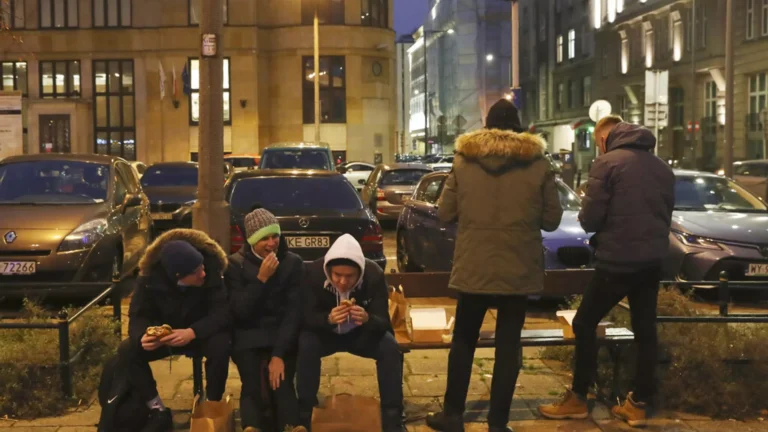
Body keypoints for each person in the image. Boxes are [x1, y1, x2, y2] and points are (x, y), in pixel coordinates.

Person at [425, 99, 564, 432]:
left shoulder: (463, 161)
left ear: (486, 126)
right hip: (518, 269)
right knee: (508, 345)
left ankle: (453, 415)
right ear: (519, 127)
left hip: (474, 266)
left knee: (463, 341)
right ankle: (498, 423)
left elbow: (445, 213)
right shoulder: (539, 164)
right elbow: (552, 219)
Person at [538, 115, 675, 427]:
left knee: (585, 323)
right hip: (651, 261)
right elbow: (665, 214)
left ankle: (578, 398)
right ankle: (638, 404)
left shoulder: (608, 164)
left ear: (604, 139)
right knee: (645, 330)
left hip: (617, 260)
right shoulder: (662, 167)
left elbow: (589, 219)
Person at [119, 229, 232, 432]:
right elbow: (137, 315)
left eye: (202, 267)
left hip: (198, 333)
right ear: (178, 276)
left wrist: (193, 332)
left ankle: (212, 404)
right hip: (165, 337)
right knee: (128, 350)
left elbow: (223, 313)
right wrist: (142, 337)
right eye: (196, 272)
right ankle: (156, 407)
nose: (203, 274)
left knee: (221, 344)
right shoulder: (149, 279)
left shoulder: (212, 270)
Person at [296, 234, 405, 432]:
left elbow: (384, 322)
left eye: (349, 276)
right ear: (328, 270)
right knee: (306, 344)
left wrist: (367, 318)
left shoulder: (373, 274)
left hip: (360, 334)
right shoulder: (312, 273)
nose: (343, 282)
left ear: (360, 272)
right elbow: (304, 317)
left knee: (389, 347)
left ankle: (393, 417)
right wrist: (327, 319)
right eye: (337, 275)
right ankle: (304, 413)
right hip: (325, 334)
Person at [225, 207, 306, 432]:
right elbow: (239, 312)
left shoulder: (292, 263)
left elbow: (293, 312)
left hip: (281, 335)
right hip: (248, 336)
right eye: (264, 239)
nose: (271, 243)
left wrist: (279, 354)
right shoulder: (235, 265)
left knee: (281, 381)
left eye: (275, 236)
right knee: (252, 383)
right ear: (251, 240)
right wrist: (260, 279)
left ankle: (293, 425)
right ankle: (251, 427)